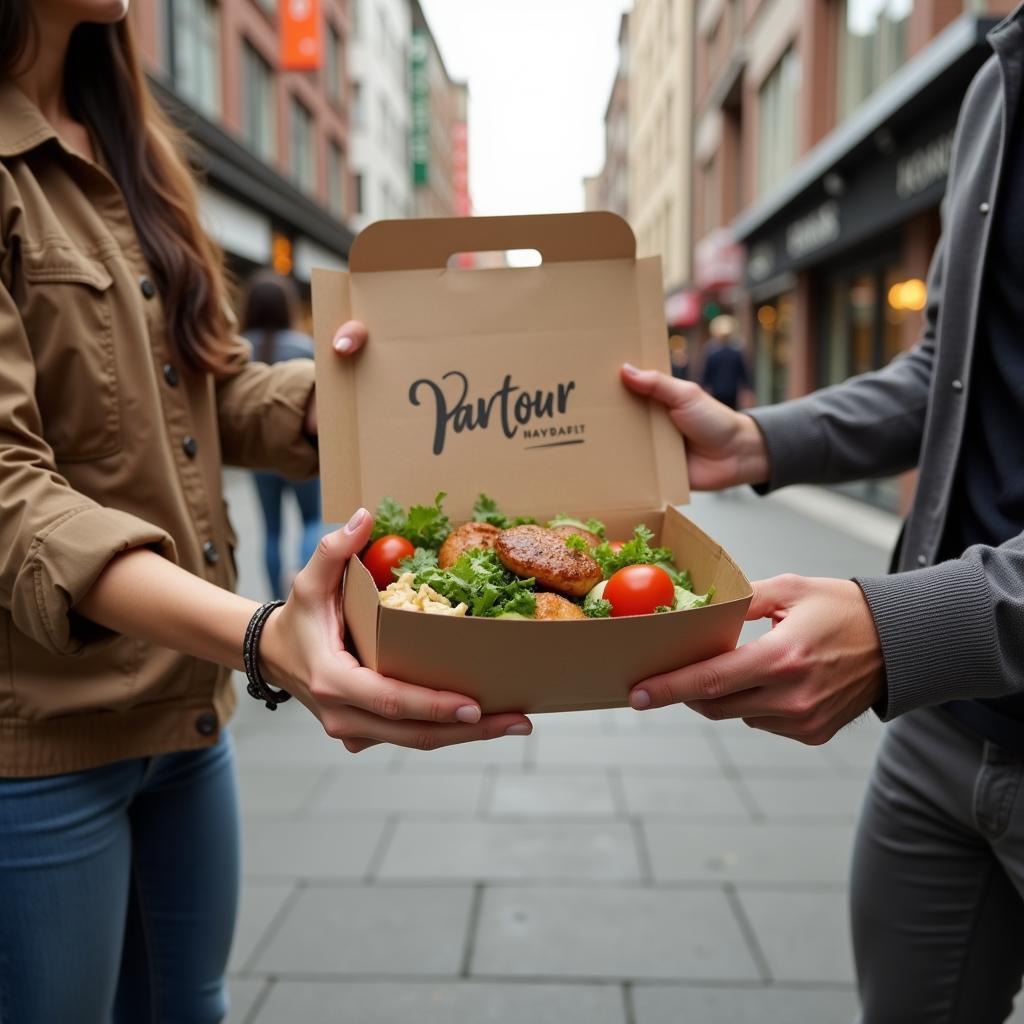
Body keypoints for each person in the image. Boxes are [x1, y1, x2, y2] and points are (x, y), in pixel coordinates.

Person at [0, 4, 531, 1021]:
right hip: (36, 740)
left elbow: (214, 390)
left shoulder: (129, 145)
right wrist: (258, 633)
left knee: (190, 1004)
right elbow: (10, 495)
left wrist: (410, 394)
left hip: (185, 715)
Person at [621, 7, 1024, 1021]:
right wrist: (759, 440)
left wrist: (900, 630)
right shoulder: (996, 78)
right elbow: (955, 364)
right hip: (946, 723)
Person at [242, 271, 324, 599]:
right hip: (302, 451)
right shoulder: (303, 346)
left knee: (271, 530)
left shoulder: (240, 347)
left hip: (258, 455)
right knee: (311, 520)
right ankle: (304, 593)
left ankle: (274, 601)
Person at [699, 313, 752, 409]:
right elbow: (744, 375)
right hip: (731, 391)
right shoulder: (736, 353)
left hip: (720, 391)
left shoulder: (712, 353)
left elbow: (706, 377)